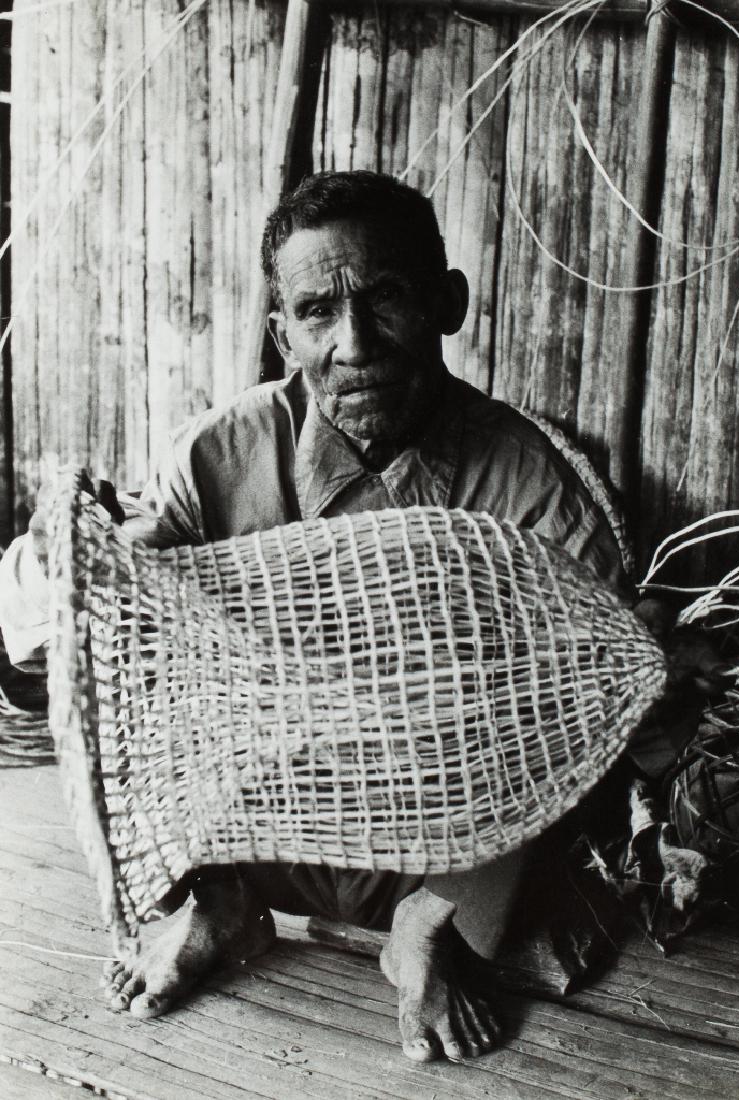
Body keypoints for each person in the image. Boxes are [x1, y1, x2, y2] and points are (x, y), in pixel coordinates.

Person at [0, 170, 633, 1062]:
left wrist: (445, 899)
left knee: (586, 698)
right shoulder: (219, 454)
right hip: (266, 833)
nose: (354, 344)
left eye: (387, 298)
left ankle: (427, 936)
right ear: (282, 334)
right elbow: (59, 629)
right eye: (317, 313)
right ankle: (219, 905)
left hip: (448, 853)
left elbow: (596, 708)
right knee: (120, 628)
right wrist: (77, 564)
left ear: (447, 304)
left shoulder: (532, 491)